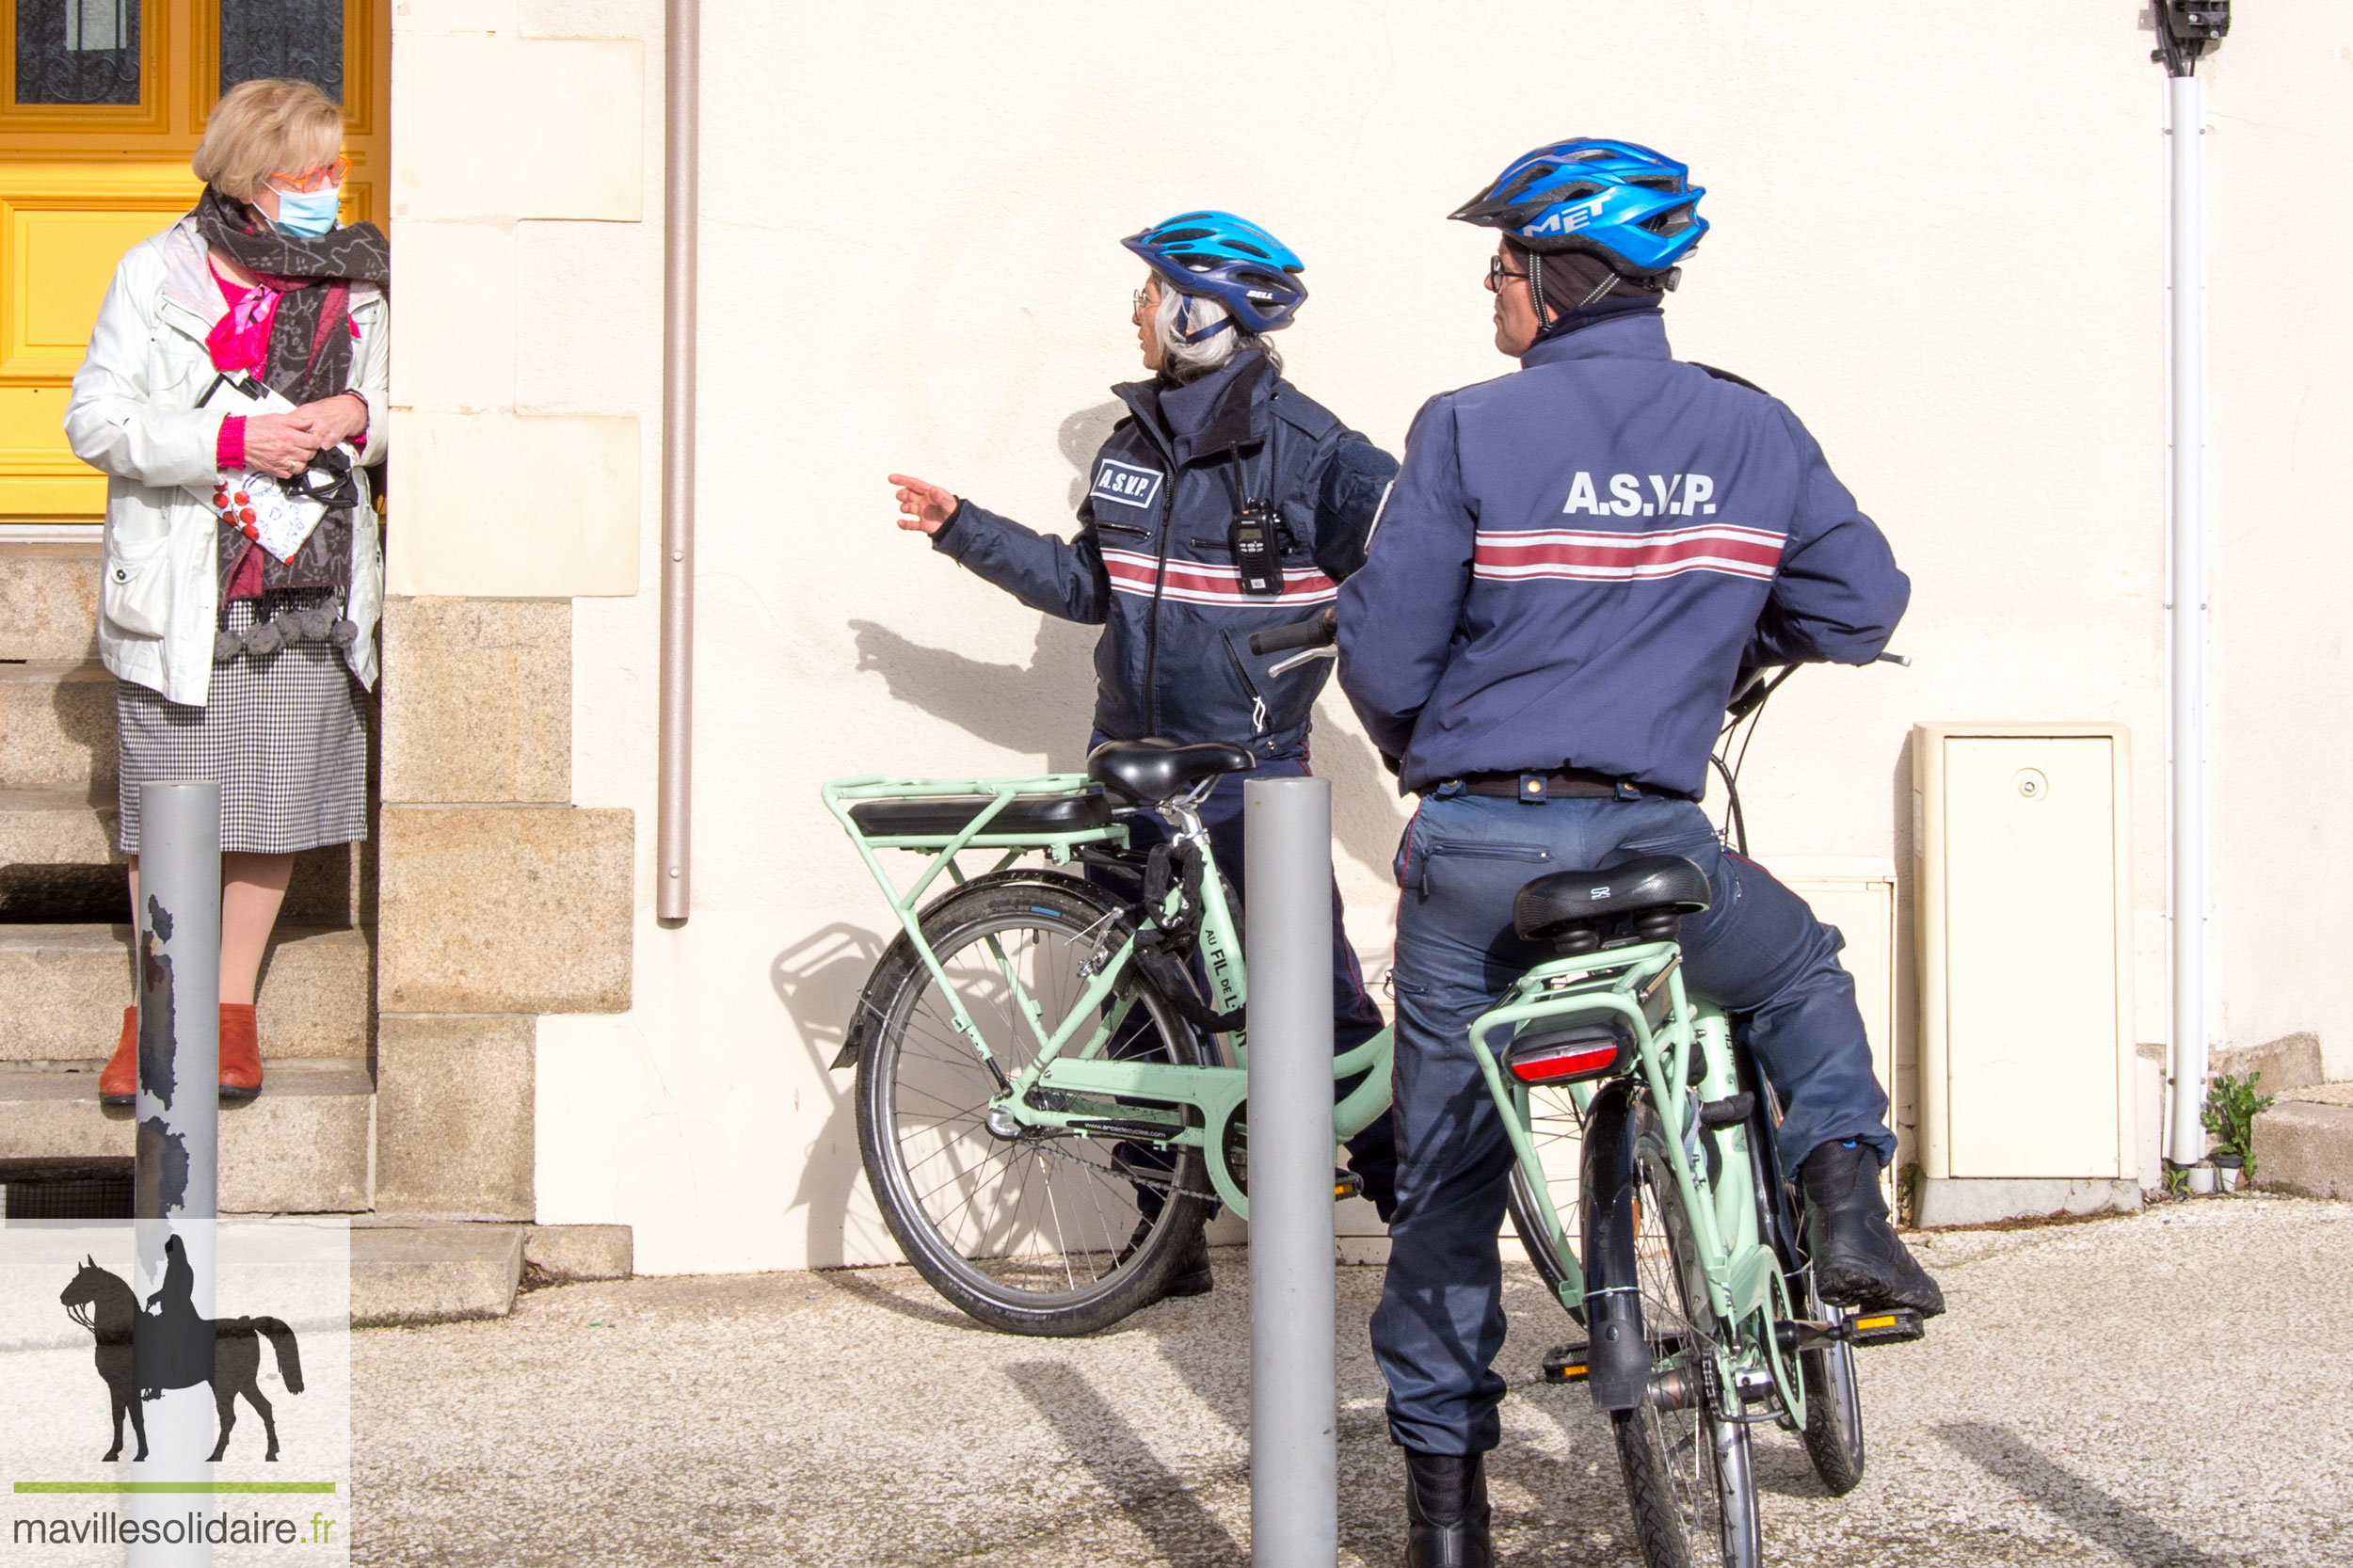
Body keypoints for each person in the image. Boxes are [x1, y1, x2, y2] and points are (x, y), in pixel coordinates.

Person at [1336, 138, 1945, 1565]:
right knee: (1795, 969)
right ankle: (1844, 1198)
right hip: (1657, 839)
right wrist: (1718, 639)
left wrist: (1431, 745)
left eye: (1497, 266)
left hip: (1485, 852)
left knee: (1449, 1173)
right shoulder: (1752, 427)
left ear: (1554, 277)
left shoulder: (1468, 429)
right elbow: (1860, 600)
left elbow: (1382, 647)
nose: (1489, 291)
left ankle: (1444, 1519)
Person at [887, 211, 1402, 1297]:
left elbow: (1410, 579)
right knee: (1134, 1010)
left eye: (1146, 292)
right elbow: (1087, 588)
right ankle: (1160, 1241)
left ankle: (1414, 1217)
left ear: (1199, 308)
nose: (1133, 312)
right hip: (1127, 770)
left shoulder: (1315, 454)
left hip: (1253, 783)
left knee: (1320, 999)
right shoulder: (1131, 447)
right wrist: (961, 527)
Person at [71, 78, 389, 1107]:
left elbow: (415, 408)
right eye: (312, 171)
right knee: (170, 808)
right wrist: (228, 437)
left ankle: (231, 1009)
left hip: (305, 582)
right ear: (254, 178)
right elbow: (96, 421)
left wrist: (352, 411)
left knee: (272, 802)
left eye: (335, 169)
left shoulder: (366, 279)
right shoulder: (155, 273)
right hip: (185, 581)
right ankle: (162, 1009)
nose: (332, 187)